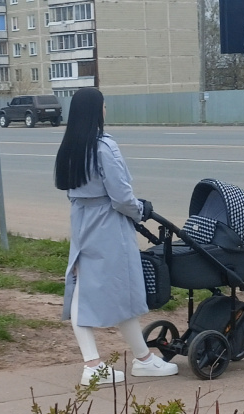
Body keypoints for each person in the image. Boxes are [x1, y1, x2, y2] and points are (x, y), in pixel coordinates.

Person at [54, 87, 178, 385]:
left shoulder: (70, 146)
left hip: (83, 221)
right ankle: (108, 364)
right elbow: (121, 196)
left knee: (82, 287)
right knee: (122, 289)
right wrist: (140, 210)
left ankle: (126, 359)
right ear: (97, 111)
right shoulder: (103, 146)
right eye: (104, 106)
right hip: (109, 223)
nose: (106, 110)